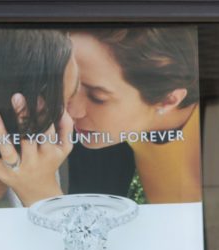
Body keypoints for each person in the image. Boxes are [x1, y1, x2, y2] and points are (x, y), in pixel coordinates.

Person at [66, 27, 201, 203]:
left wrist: (39, 189)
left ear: (168, 100)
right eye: (69, 83)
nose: (71, 110)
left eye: (97, 97)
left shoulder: (205, 151)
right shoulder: (129, 124)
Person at [0, 28, 79, 208]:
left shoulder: (40, 162)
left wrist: (43, 191)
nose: (70, 122)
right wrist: (44, 197)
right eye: (61, 109)